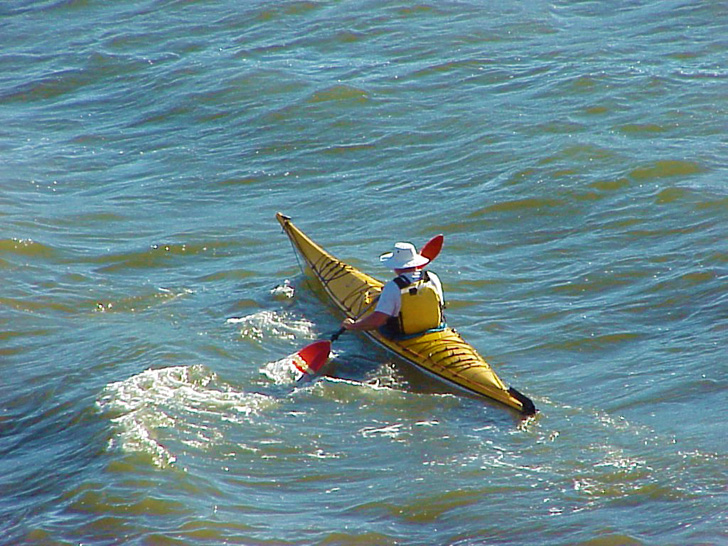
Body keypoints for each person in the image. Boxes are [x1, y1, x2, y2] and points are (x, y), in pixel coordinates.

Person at [341, 242, 445, 338]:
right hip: (434, 327)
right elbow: (440, 305)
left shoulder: (393, 287)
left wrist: (354, 326)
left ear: (395, 266)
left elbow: (377, 321)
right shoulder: (432, 277)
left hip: (402, 334)